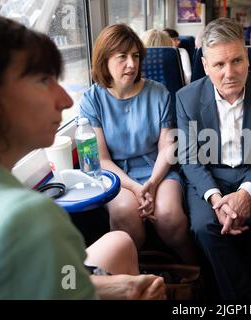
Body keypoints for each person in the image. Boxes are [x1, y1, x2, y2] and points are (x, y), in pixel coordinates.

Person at [0, 14, 166, 300]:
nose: (65, 99)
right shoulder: (28, 218)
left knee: (121, 242)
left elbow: (64, 278)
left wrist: (120, 286)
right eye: (43, 80)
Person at [176, 17, 251, 300]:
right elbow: (190, 158)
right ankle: (238, 296)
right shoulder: (186, 99)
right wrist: (216, 199)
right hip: (210, 176)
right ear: (205, 66)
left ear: (248, 59)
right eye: (219, 65)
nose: (229, 73)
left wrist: (245, 194)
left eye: (237, 61)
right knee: (203, 225)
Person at [79, 24, 196, 264]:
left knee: (169, 215)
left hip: (157, 168)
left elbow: (166, 148)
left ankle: (195, 269)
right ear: (105, 60)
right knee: (125, 212)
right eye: (122, 57)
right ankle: (133, 273)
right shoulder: (92, 99)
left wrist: (151, 184)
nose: (131, 64)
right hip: (116, 174)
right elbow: (101, 159)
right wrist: (134, 187)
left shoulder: (159, 93)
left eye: (135, 56)